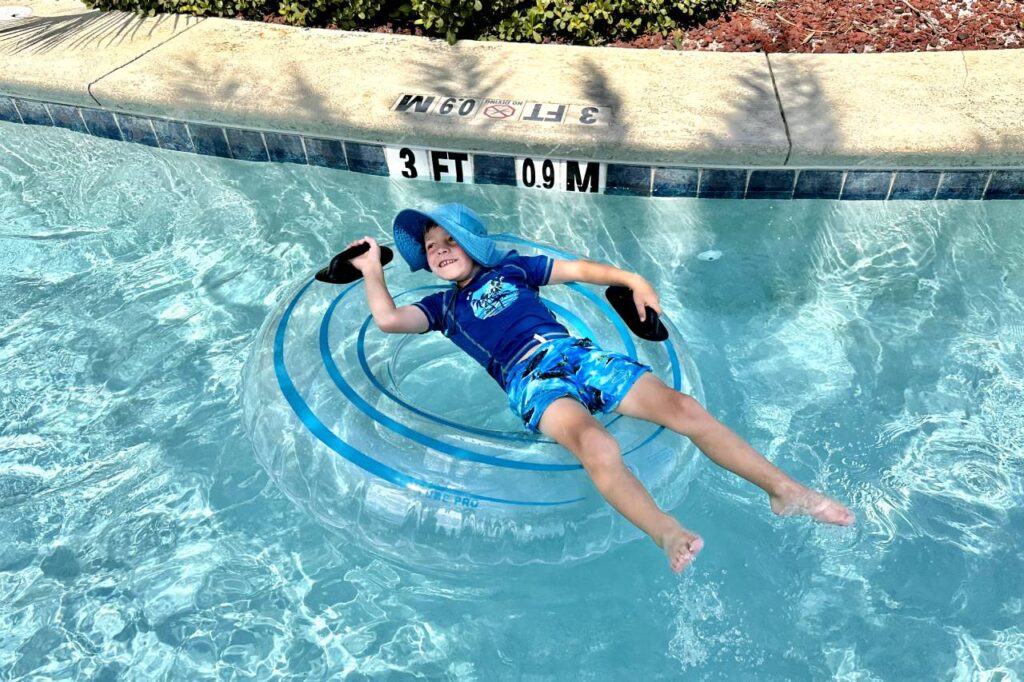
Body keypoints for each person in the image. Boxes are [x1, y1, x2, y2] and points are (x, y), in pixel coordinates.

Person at [346, 203, 854, 573]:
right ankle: (665, 531)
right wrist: (371, 270)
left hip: (579, 354)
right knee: (597, 444)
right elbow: (389, 319)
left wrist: (634, 280)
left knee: (684, 408)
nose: (439, 252)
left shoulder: (514, 268)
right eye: (431, 249)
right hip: (532, 380)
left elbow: (581, 271)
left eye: (448, 241)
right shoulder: (443, 309)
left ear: (472, 242)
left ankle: (784, 490)